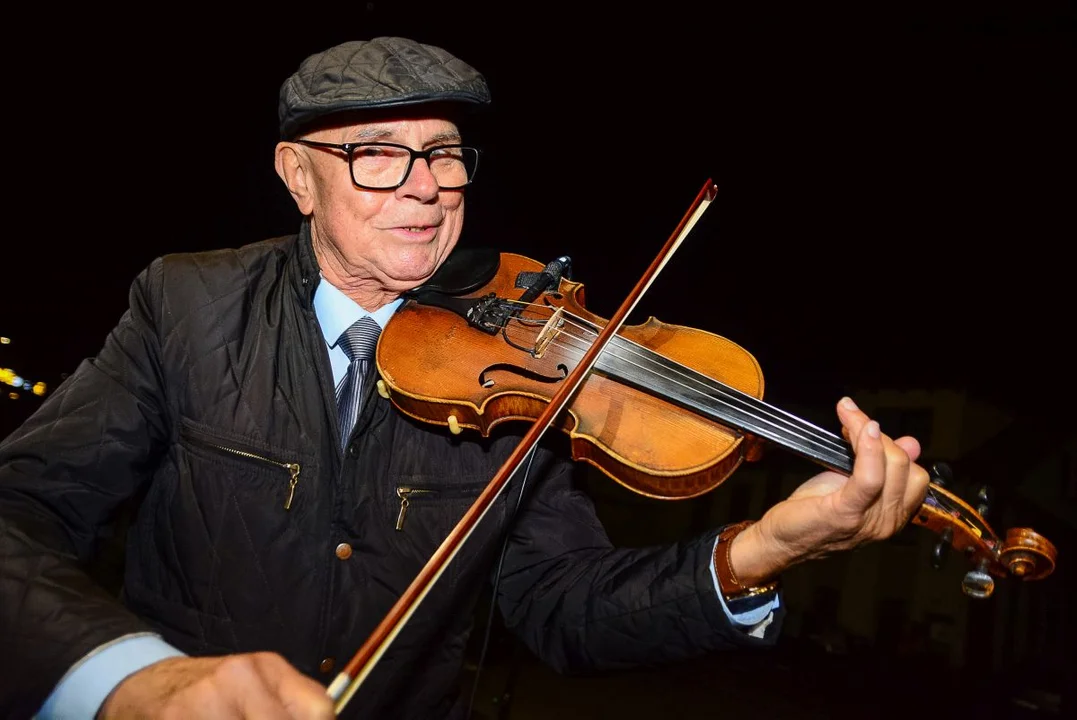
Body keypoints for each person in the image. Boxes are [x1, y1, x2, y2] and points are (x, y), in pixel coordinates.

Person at [0, 36, 929, 720]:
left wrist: (765, 547)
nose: (424, 185)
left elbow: (567, 611)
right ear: (297, 176)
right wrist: (130, 677)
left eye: (444, 153)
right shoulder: (188, 304)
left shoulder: (524, 366)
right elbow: (20, 511)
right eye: (374, 153)